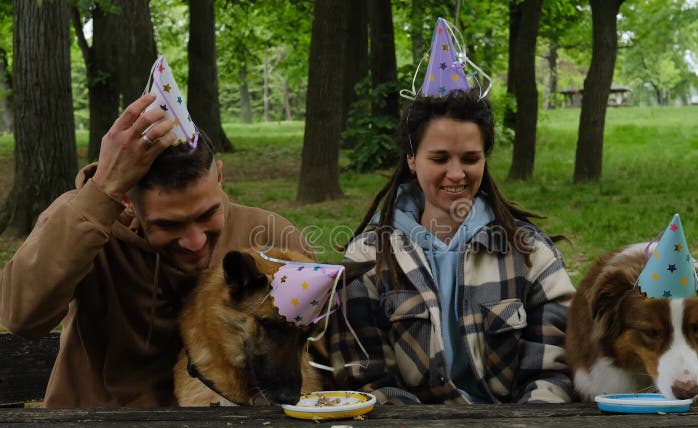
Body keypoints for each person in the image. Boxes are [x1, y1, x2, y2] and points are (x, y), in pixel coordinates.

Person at [0, 58, 308, 407]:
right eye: (169, 224)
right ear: (128, 204)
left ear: (219, 177)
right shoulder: (83, 222)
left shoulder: (270, 238)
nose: (194, 242)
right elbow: (21, 316)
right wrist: (102, 192)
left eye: (207, 215)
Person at [328, 18, 573, 404]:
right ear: (411, 158)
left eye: (470, 158)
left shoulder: (530, 254)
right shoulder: (368, 258)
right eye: (439, 158)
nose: (456, 173)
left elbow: (554, 372)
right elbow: (363, 379)